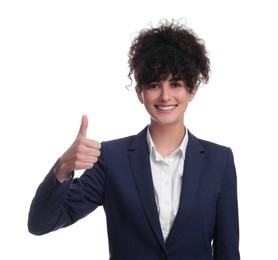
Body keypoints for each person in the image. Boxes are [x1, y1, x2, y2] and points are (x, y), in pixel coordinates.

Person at [28, 19, 240, 260]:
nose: (165, 95)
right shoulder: (111, 159)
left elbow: (227, 252)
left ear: (192, 90)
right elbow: (41, 223)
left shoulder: (220, 161)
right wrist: (63, 167)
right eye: (153, 84)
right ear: (140, 92)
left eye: (176, 83)